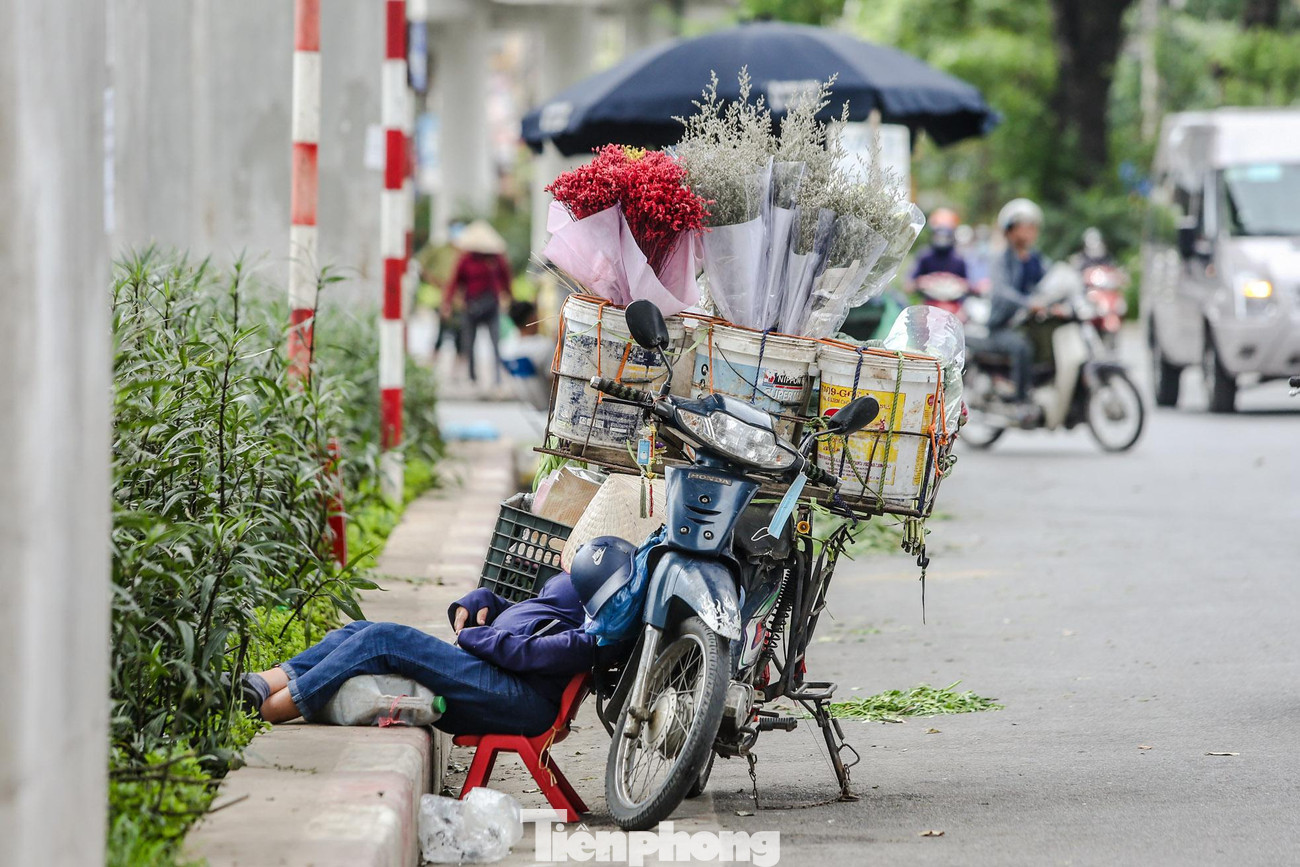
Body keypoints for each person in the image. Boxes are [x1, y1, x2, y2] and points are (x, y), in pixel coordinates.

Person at [236, 541, 633, 735]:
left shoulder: (600, 631)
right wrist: (485, 601)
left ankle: (268, 709)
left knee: (384, 639)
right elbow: (536, 613)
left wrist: (477, 637)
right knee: (360, 631)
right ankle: (262, 683)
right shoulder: (584, 582)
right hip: (495, 671)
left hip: (518, 696)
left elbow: (538, 652)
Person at [984, 198, 1051, 409]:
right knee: (1022, 347)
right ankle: (1021, 401)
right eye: (1025, 226)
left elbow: (1051, 281)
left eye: (1033, 226)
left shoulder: (1036, 259)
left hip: (1028, 324)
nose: (1030, 231)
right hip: (1002, 327)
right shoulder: (1001, 259)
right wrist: (1028, 303)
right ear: (1010, 230)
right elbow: (1001, 291)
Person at [442, 219, 513, 386]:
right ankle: (472, 377)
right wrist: (447, 303)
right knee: (469, 343)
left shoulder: (496, 259)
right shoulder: (466, 259)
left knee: (495, 343)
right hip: (471, 305)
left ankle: (497, 378)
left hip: (491, 305)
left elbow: (506, 279)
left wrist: (510, 297)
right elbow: (454, 282)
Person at [909, 207, 968, 288]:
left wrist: (955, 282)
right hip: (927, 295)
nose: (942, 238)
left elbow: (967, 284)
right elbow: (909, 284)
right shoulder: (924, 256)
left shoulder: (959, 259)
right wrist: (922, 281)